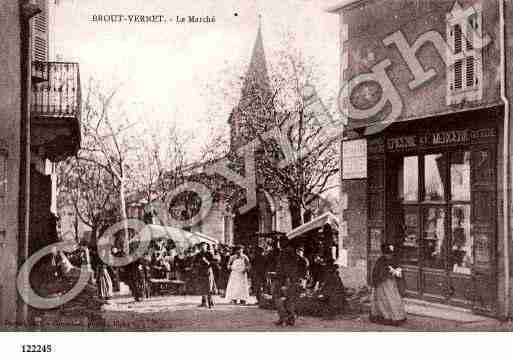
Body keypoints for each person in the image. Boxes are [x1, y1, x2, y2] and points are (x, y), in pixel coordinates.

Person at [369, 243, 406, 326]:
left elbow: (398, 269)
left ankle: (396, 316)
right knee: (382, 301)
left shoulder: (393, 260)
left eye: (390, 254)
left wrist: (396, 271)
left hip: (390, 283)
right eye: (388, 254)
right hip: (381, 284)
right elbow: (377, 272)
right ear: (384, 253)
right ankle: (383, 316)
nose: (389, 256)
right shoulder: (380, 261)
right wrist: (379, 279)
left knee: (392, 299)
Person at [274, 239, 302, 326]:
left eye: (280, 242)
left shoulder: (285, 253)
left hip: (284, 279)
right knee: (290, 300)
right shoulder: (293, 253)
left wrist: (283, 279)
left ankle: (283, 318)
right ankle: (290, 318)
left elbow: (284, 268)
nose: (279, 244)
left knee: (278, 298)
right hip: (291, 279)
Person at [195, 242, 217, 308]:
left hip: (208, 271)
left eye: (204, 246)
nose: (202, 247)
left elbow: (214, 262)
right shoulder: (198, 254)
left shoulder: (209, 253)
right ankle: (204, 302)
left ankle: (210, 302)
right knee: (202, 286)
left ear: (206, 247)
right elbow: (194, 263)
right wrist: (198, 264)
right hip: (201, 272)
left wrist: (207, 262)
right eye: (201, 246)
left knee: (209, 287)